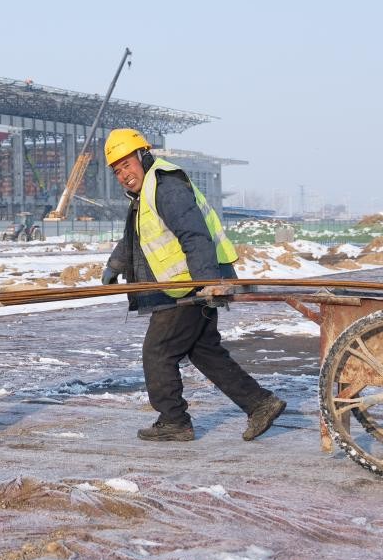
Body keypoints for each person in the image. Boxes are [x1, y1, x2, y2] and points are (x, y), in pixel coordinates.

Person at [102, 128, 286, 442]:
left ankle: (174, 420)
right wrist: (115, 265)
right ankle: (260, 404)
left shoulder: (165, 186)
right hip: (189, 283)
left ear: (142, 157)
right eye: (117, 171)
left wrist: (208, 283)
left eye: (127, 165)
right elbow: (135, 238)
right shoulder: (147, 193)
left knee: (158, 351)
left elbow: (195, 235)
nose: (123, 175)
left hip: (190, 285)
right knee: (203, 351)